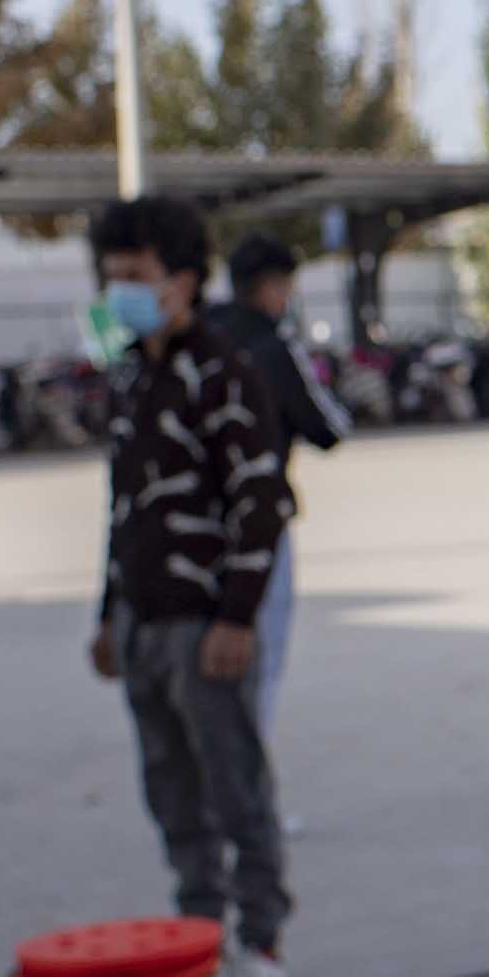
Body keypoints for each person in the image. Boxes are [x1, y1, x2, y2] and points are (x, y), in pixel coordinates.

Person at [85, 196, 295, 977]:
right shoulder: (132, 375)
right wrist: (108, 613)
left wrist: (237, 616)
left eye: (134, 278)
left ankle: (263, 940)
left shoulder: (226, 375)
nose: (122, 295)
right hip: (143, 622)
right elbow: (123, 506)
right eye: (112, 280)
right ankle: (197, 934)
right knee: (171, 788)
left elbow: (259, 502)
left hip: (206, 624)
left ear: (182, 279)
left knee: (234, 785)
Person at [211, 233, 349, 732]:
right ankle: (250, 799)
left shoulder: (196, 335)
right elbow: (328, 428)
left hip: (194, 525)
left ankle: (214, 795)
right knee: (259, 659)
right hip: (259, 520)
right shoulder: (273, 345)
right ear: (271, 287)